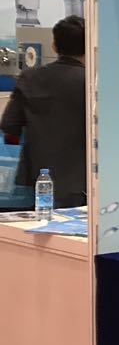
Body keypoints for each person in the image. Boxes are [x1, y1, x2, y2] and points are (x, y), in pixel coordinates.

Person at [0, 16, 87, 208]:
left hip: (38, 179)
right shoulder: (91, 82)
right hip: (82, 181)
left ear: (54, 45)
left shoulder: (29, 77)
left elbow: (10, 125)